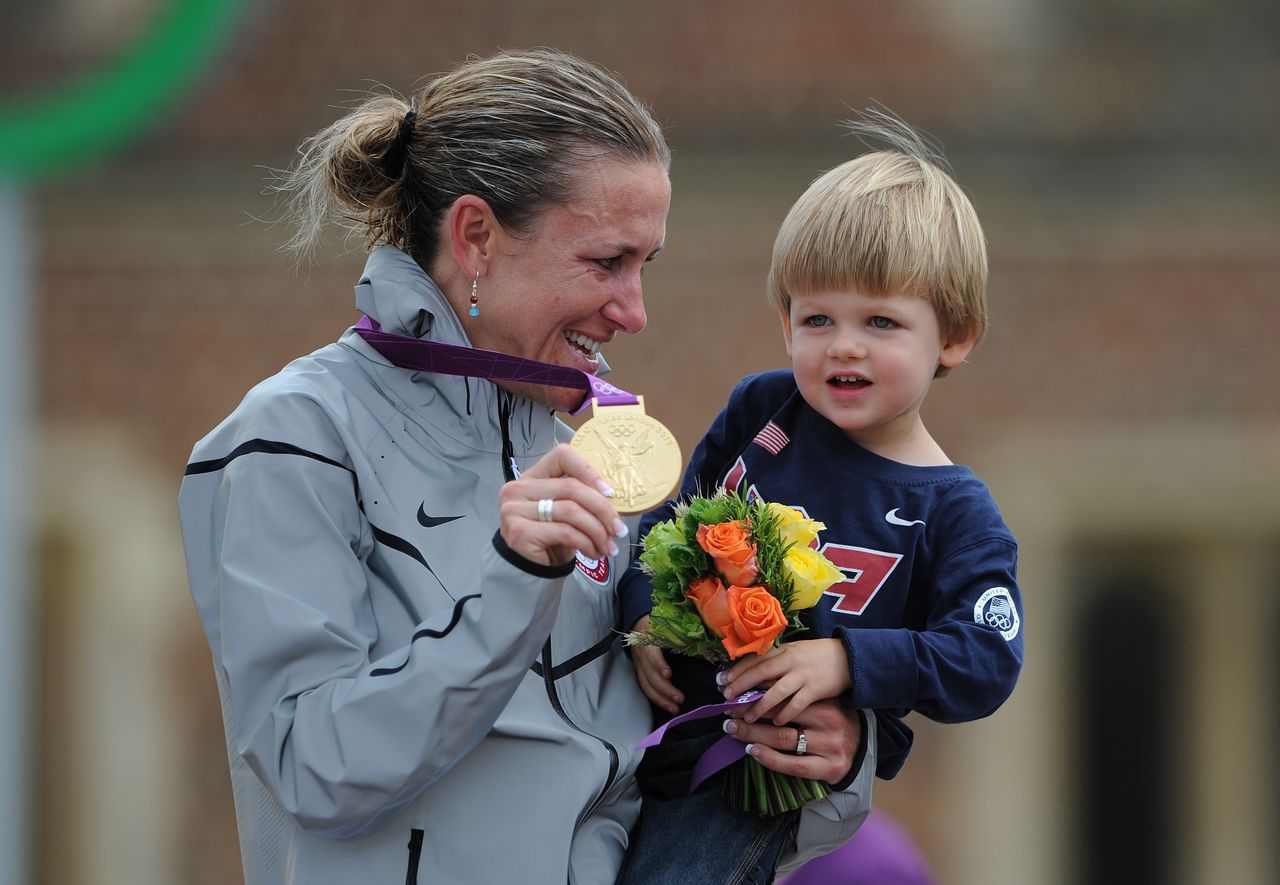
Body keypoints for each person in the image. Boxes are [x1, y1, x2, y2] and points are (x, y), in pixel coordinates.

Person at [178, 49, 876, 885]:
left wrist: (827, 753)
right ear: (476, 236)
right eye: (605, 262)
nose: (635, 313)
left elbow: (644, 789)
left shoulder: (584, 457)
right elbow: (316, 772)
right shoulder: (294, 436)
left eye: (643, 266)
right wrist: (514, 578)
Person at [617, 114, 1023, 884]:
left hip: (749, 779)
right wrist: (641, 604)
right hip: (629, 734)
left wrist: (846, 659)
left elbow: (986, 658)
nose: (843, 344)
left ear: (956, 335)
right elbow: (671, 522)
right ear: (785, 321)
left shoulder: (957, 510)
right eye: (817, 319)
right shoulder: (763, 410)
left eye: (881, 321)